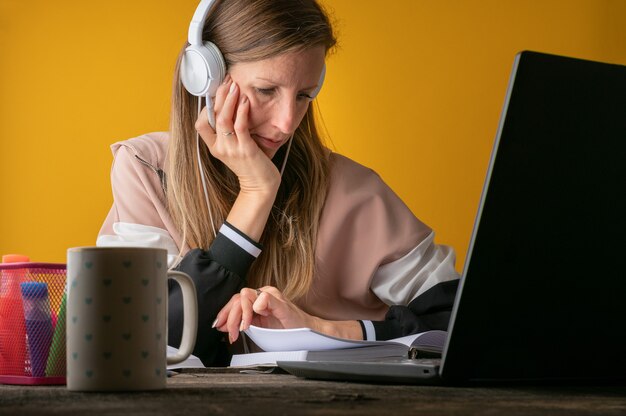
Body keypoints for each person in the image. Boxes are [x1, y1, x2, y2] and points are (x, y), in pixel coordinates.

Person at [97, 0, 460, 366]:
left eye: (304, 95)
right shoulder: (146, 170)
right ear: (203, 77)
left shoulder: (353, 191)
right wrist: (256, 194)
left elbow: (460, 324)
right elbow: (142, 342)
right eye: (267, 90)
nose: (288, 122)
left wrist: (322, 328)